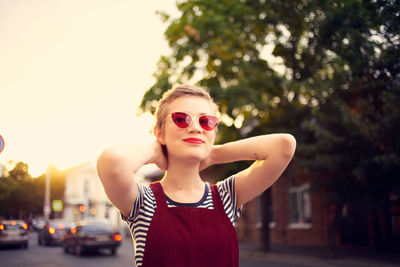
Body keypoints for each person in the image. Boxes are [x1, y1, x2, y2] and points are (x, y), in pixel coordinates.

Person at [96, 85, 296, 267]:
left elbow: (284, 146)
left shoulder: (226, 197)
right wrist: (155, 153)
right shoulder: (143, 202)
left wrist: (215, 153)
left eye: (206, 121)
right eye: (181, 119)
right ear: (159, 132)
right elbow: (112, 161)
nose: (196, 127)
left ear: (214, 132)